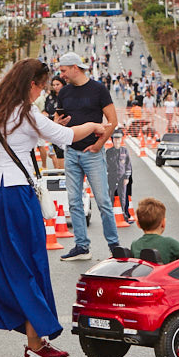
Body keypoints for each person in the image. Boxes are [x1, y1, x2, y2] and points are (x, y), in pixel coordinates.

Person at [0, 58, 106, 357]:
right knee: (30, 267)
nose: (41, 93)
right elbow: (65, 137)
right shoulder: (26, 112)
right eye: (41, 87)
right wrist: (93, 125)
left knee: (2, 270)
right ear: (30, 85)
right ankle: (33, 343)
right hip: (15, 194)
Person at [56, 51, 118, 261]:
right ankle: (82, 246)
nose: (62, 75)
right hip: (71, 152)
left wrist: (99, 145)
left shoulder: (98, 90)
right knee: (74, 201)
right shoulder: (64, 93)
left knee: (102, 201)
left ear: (75, 67)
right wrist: (58, 124)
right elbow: (58, 120)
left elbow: (112, 120)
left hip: (92, 153)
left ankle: (114, 246)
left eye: (64, 71)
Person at [43, 77, 66, 170]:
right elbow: (45, 110)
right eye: (54, 85)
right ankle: (59, 171)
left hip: (64, 127)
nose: (56, 87)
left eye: (58, 84)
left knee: (62, 152)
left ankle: (63, 172)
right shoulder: (50, 97)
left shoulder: (67, 97)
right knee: (55, 152)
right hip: (52, 128)